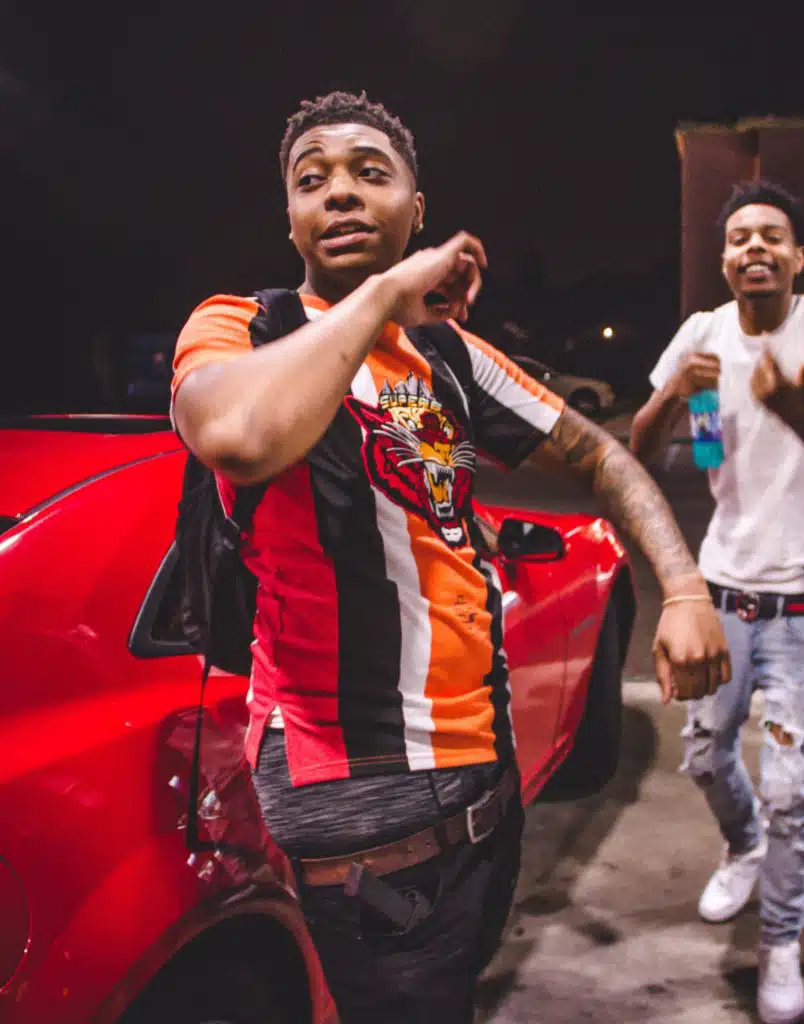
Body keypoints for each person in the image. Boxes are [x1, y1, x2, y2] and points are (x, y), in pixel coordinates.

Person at [170, 90, 730, 1024]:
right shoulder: (244, 326)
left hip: (484, 776)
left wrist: (682, 585)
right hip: (361, 798)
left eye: (370, 173)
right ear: (291, 217)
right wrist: (387, 293)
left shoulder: (447, 357)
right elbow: (237, 435)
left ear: (416, 209)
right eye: (312, 180)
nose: (339, 193)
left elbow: (601, 455)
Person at [630, 181, 804, 1024]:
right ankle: (743, 848)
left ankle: (780, 945)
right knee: (705, 757)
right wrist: (677, 391)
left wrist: (790, 409)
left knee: (790, 788)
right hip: (724, 591)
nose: (754, 248)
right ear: (725, 257)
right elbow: (656, 451)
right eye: (739, 238)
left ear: (798, 256)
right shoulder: (701, 334)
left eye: (772, 235)